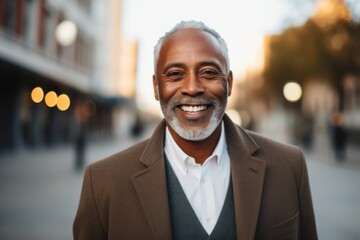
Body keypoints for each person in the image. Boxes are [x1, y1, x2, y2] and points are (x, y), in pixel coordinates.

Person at [73, 20, 318, 240]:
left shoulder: (289, 166)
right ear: (156, 87)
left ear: (229, 83)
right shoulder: (103, 182)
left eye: (208, 73)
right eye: (175, 74)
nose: (192, 88)